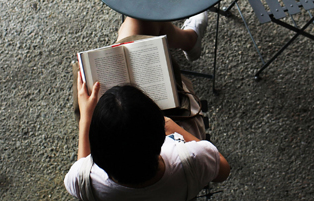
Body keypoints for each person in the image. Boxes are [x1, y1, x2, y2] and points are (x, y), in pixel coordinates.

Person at [64, 12, 231, 200]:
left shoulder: (82, 181)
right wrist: (170, 125)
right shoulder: (192, 159)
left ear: (99, 154)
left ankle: (189, 40)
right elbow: (223, 170)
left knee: (134, 29)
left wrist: (86, 118)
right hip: (180, 127)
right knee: (141, 20)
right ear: (162, 138)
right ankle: (190, 40)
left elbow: (82, 167)